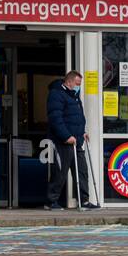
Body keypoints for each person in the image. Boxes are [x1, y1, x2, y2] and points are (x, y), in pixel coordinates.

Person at [46, 70, 98, 210]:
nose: (78, 86)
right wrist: (66, 136)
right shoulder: (56, 94)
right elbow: (56, 119)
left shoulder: (74, 96)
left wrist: (83, 132)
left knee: (82, 171)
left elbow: (77, 117)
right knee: (61, 172)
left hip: (77, 140)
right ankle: (51, 201)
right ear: (68, 82)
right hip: (63, 141)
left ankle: (84, 200)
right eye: (77, 83)